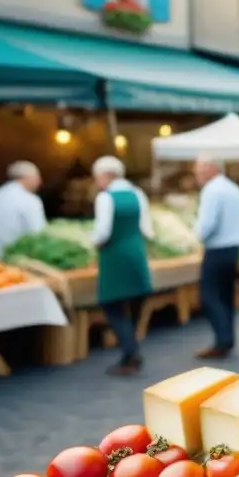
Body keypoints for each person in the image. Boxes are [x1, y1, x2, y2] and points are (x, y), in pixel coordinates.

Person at [91, 156, 153, 377]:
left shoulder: (105, 198)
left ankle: (131, 352)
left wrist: (92, 242)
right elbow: (147, 229)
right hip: (136, 252)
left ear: (106, 175)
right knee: (135, 301)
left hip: (114, 256)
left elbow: (102, 232)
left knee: (111, 304)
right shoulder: (138, 194)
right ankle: (130, 351)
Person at [193, 157, 239, 359]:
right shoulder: (234, 188)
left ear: (210, 168)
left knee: (209, 296)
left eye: (198, 168)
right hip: (233, 247)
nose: (196, 173)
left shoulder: (212, 191)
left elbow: (207, 223)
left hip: (216, 248)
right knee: (226, 295)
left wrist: (197, 237)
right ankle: (227, 338)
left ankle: (222, 339)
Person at [0, 161, 47, 259]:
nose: (40, 182)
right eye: (37, 178)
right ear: (28, 177)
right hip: (12, 262)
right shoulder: (30, 200)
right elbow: (38, 235)